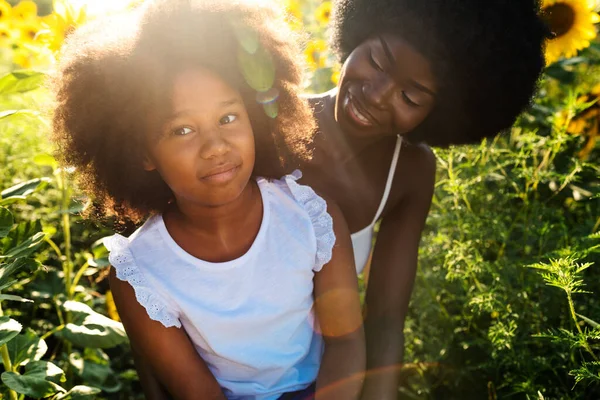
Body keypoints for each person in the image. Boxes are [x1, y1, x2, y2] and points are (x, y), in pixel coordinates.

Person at [51, 1, 365, 399]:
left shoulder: (310, 217)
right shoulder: (141, 274)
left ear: (254, 115)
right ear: (143, 153)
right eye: (182, 129)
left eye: (229, 118)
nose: (215, 146)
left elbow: (346, 342)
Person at [297, 0, 549, 399]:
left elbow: (384, 321)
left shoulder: (409, 173)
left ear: (441, 113)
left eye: (410, 97)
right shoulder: (273, 124)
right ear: (359, 30)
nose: (377, 95)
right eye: (378, 61)